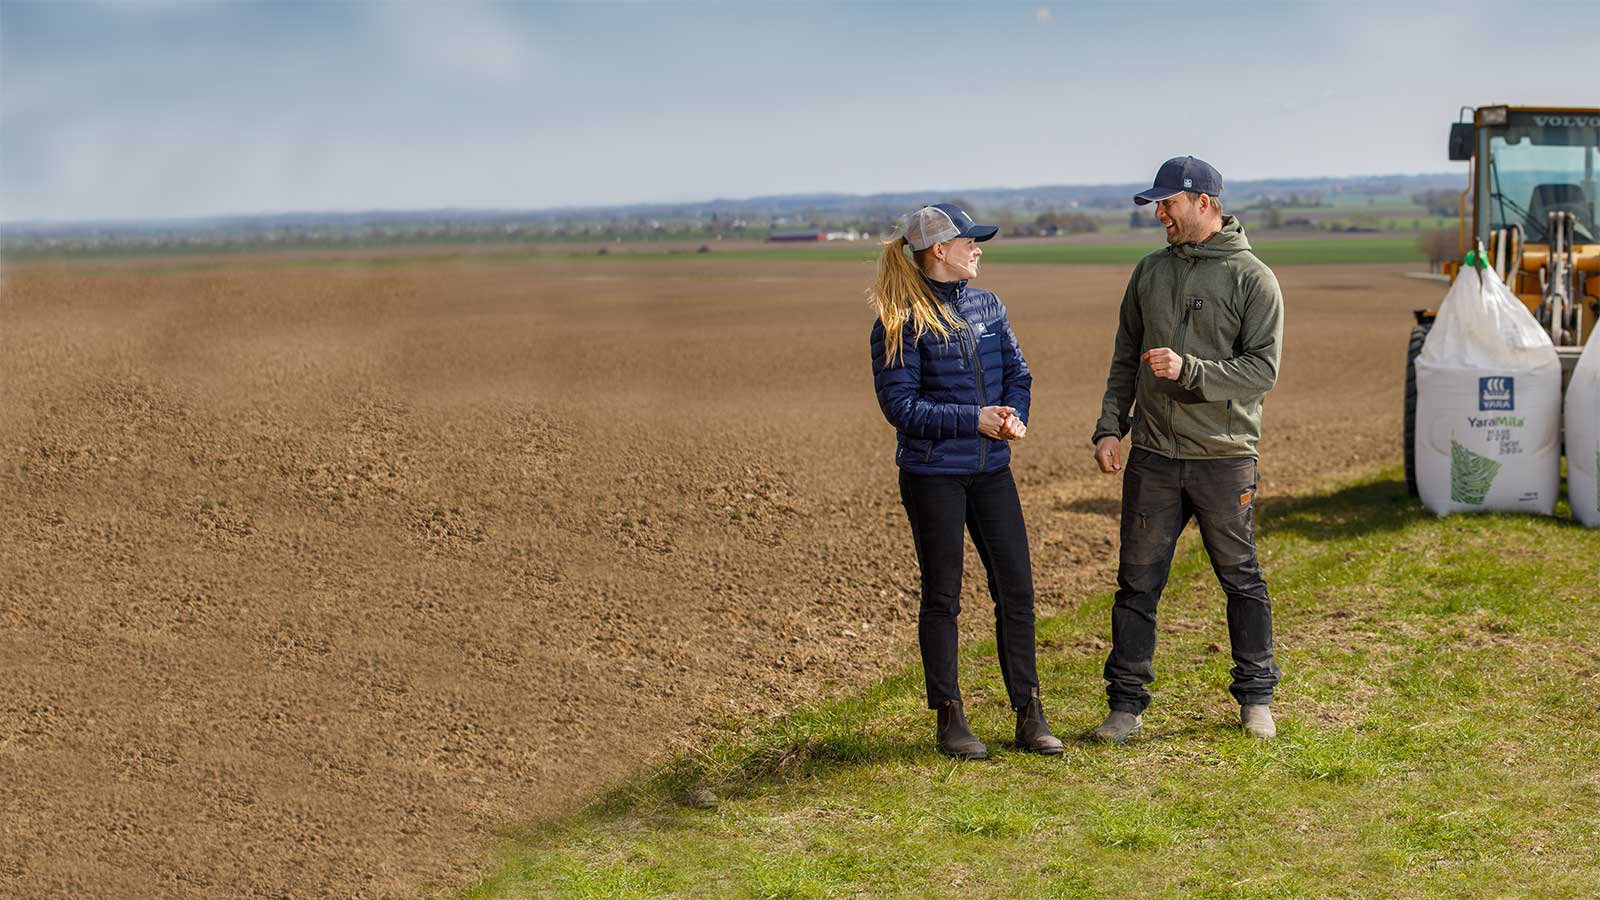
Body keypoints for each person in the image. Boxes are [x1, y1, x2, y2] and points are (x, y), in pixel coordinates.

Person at [1089, 157, 1285, 743]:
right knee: (1137, 582)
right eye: (1157, 204)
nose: (1159, 214)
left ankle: (1256, 698)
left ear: (1204, 203)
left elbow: (1262, 370)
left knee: (1240, 577)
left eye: (1167, 203)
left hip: (1224, 457)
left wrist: (1190, 369)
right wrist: (1108, 427)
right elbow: (1126, 355)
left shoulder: (1254, 279)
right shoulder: (1149, 272)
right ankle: (1126, 706)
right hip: (1152, 455)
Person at [869, 203, 1063, 760]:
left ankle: (1029, 713)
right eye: (969, 241)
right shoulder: (899, 318)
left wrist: (1012, 416)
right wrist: (973, 419)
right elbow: (900, 405)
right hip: (933, 476)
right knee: (943, 596)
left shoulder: (988, 304)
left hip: (991, 472)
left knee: (1017, 591)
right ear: (939, 251)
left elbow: (1018, 373)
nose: (979, 248)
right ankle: (950, 719)